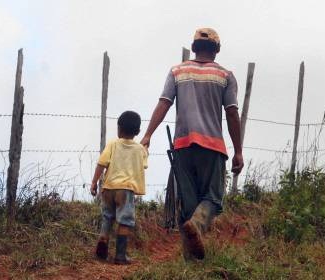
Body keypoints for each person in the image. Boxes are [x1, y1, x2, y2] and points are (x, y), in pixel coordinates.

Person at [140, 27, 244, 260]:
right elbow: (232, 114)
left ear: (194, 48)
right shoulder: (225, 76)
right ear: (216, 50)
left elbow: (164, 103)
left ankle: (191, 263)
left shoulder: (177, 71)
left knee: (187, 207)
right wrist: (238, 151)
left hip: (183, 147)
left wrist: (147, 135)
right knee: (213, 199)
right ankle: (197, 225)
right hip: (212, 147)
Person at [90, 111, 148, 265]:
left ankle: (103, 238)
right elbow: (144, 165)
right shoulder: (140, 149)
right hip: (125, 190)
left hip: (109, 188)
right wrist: (145, 150)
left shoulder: (112, 145)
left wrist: (94, 182)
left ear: (119, 128)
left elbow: (101, 163)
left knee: (107, 216)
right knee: (125, 221)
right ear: (138, 131)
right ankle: (120, 256)